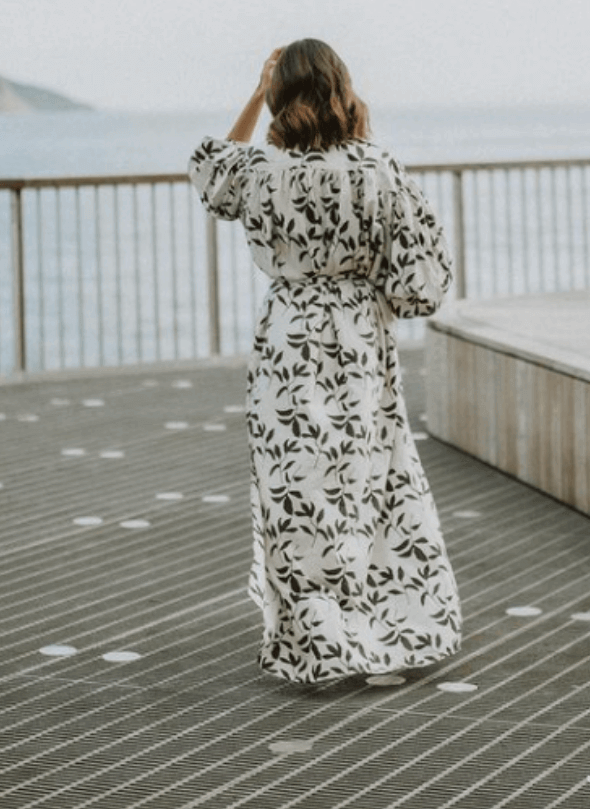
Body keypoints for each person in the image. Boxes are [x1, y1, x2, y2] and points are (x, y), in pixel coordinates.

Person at [188, 39, 462, 686]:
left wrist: (256, 93)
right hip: (360, 346)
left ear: (284, 100)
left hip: (288, 347)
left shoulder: (263, 172)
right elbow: (422, 284)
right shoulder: (379, 170)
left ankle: (320, 642)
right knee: (367, 485)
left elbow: (208, 171)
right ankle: (385, 632)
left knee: (298, 495)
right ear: (343, 89)